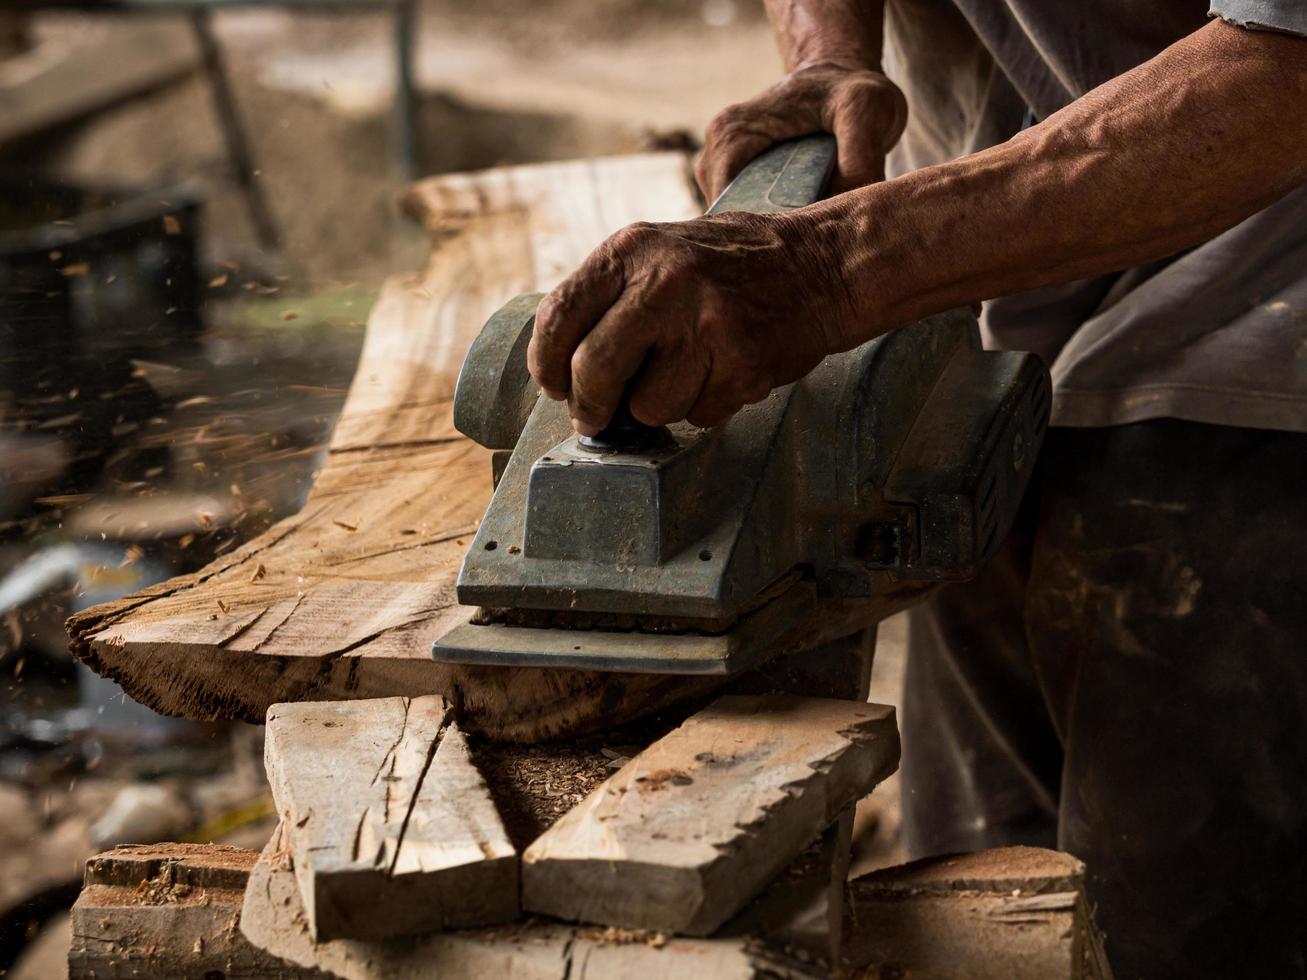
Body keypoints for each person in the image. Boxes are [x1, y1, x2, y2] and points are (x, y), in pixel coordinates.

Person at [525, 3, 1307, 977]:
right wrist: (827, 57)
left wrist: (827, 263)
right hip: (987, 269)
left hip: (1267, 295)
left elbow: (1283, 71)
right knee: (978, 884)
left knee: (1168, 916)